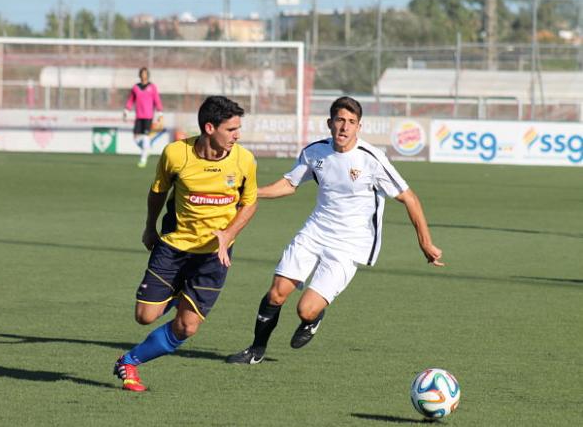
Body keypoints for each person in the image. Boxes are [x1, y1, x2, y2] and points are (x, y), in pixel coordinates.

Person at [226, 96, 443, 365]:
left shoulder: (372, 159)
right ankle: (256, 350)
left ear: (359, 127)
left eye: (351, 122)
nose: (344, 127)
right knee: (276, 292)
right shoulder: (315, 152)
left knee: (305, 309)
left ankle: (313, 319)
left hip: (349, 245)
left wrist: (425, 242)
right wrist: (252, 193)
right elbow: (290, 184)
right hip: (315, 231)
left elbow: (409, 197)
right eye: (340, 120)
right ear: (330, 123)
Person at [114, 95, 258, 391]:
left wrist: (229, 234)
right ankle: (181, 291)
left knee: (187, 326)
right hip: (174, 248)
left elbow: (250, 202)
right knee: (145, 316)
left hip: (213, 257)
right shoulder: (176, 154)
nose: (237, 136)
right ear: (209, 128)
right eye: (231, 130)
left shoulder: (244, 160)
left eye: (238, 129)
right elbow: (157, 192)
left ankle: (129, 361)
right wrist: (149, 228)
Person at [123, 67, 164, 167]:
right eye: (142, 73)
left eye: (145, 73)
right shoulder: (135, 87)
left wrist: (160, 113)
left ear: (148, 75)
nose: (143, 75)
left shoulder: (152, 87)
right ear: (140, 75)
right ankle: (147, 149)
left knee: (146, 137)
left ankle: (143, 159)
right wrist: (126, 110)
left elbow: (157, 100)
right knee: (136, 138)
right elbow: (131, 100)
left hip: (148, 116)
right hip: (139, 116)